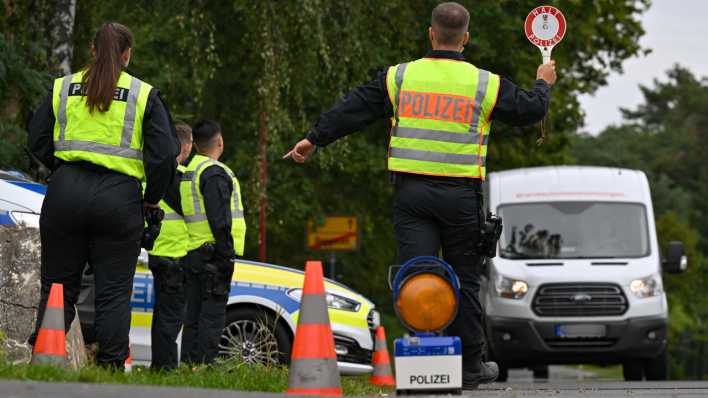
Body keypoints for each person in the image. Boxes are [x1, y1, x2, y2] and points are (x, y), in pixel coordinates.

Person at [283, 2, 556, 389]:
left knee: (417, 275)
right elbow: (530, 109)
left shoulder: (400, 77)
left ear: (431, 34)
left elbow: (353, 108)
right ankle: (470, 365)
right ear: (465, 38)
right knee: (464, 276)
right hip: (461, 196)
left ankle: (422, 355)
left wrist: (314, 139)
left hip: (412, 195)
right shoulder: (484, 83)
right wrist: (543, 80)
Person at [27, 22, 178, 368]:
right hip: (119, 199)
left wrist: (64, 171)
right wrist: (151, 199)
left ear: (93, 51)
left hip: (65, 194)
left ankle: (45, 362)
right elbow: (164, 156)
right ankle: (110, 371)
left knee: (56, 288)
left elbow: (35, 140)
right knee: (113, 294)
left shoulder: (62, 88)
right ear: (127, 55)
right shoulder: (144, 95)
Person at [180, 120, 246, 365]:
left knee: (193, 315)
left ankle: (188, 365)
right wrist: (226, 253)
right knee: (212, 313)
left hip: (192, 252)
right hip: (213, 255)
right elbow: (220, 219)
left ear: (195, 145)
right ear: (220, 141)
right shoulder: (215, 172)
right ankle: (205, 366)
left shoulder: (188, 171)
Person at [146, 123, 192, 371]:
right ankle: (165, 369)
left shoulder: (151, 174)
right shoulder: (183, 177)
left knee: (162, 313)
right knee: (172, 317)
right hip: (178, 255)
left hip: (157, 253)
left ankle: (158, 366)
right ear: (185, 147)